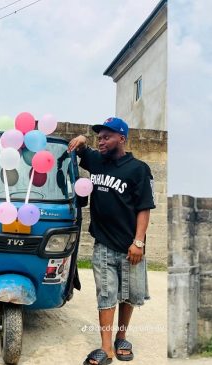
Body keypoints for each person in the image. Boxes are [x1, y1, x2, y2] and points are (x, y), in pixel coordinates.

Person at [67, 117, 155, 365]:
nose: (101, 141)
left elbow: (144, 208)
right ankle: (106, 348)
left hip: (130, 247)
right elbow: (83, 149)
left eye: (107, 137)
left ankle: (121, 336)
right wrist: (83, 140)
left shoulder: (139, 169)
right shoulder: (97, 161)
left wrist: (138, 242)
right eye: (99, 137)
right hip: (103, 243)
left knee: (128, 295)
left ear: (122, 138)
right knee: (106, 294)